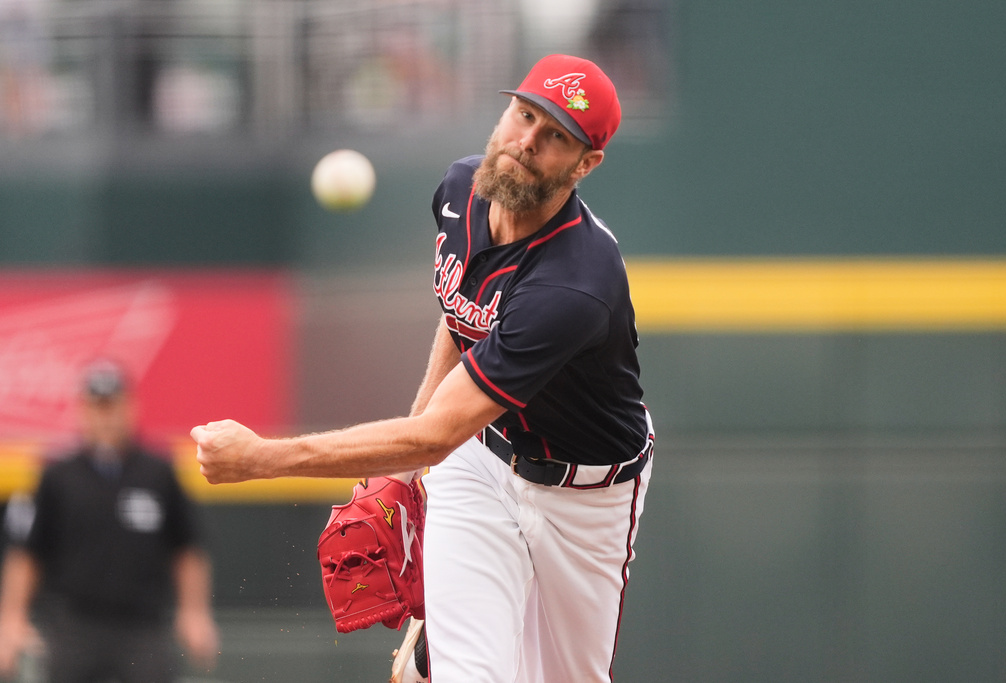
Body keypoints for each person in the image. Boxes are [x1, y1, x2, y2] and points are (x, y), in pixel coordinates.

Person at [192, 53, 654, 683]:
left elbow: (438, 431)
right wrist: (408, 471)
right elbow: (461, 313)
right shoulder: (460, 190)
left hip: (586, 497)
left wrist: (261, 460)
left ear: (585, 163)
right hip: (481, 460)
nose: (525, 141)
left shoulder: (575, 284)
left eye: (555, 137)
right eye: (524, 114)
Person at [0, 359, 220, 683]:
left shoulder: (156, 472)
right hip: (74, 626)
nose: (105, 416)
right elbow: (29, 552)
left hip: (142, 627)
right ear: (83, 410)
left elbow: (187, 549)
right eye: (97, 406)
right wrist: (12, 619)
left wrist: (194, 613)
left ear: (130, 407)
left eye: (112, 405)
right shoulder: (59, 475)